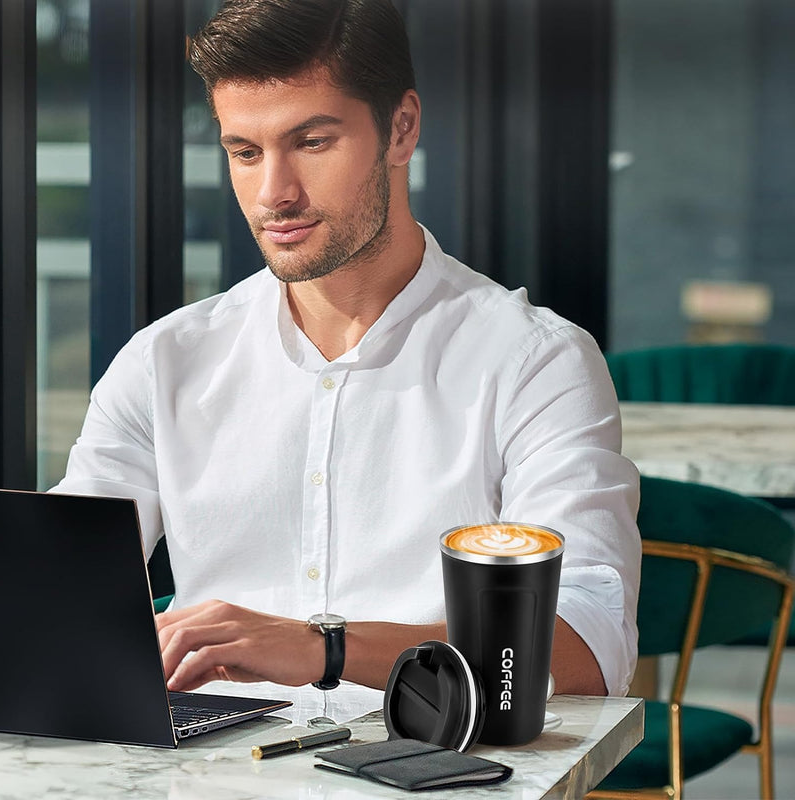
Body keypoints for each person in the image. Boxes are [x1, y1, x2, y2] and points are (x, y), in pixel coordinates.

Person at [53, 0, 641, 724]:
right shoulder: (163, 362)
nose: (275, 193)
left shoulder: (535, 363)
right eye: (244, 152)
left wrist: (324, 650)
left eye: (312, 142)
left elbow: (585, 650)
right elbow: (55, 594)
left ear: (401, 128)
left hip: (427, 766)